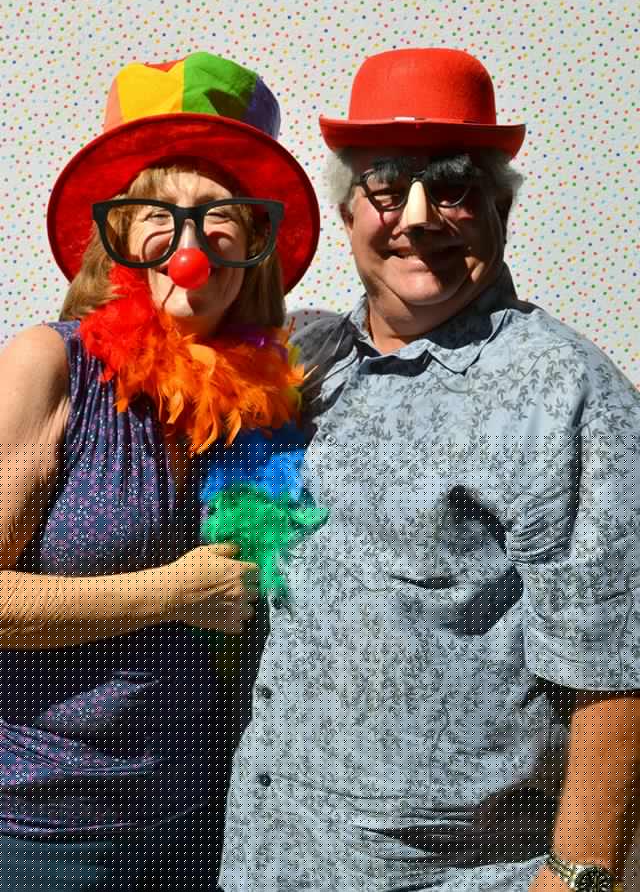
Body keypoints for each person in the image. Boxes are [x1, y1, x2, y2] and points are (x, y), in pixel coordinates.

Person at [220, 48, 640, 892]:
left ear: (499, 211)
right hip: (269, 859)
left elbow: (617, 670)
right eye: (385, 188)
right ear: (347, 212)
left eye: (451, 188)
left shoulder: (564, 391)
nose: (415, 220)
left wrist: (579, 876)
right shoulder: (299, 362)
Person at [0, 51, 319, 891]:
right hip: (44, 832)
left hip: (203, 825)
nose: (189, 246)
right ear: (117, 236)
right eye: (160, 213)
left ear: (254, 244)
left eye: (220, 217)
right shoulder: (50, 366)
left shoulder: (265, 400)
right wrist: (169, 593)